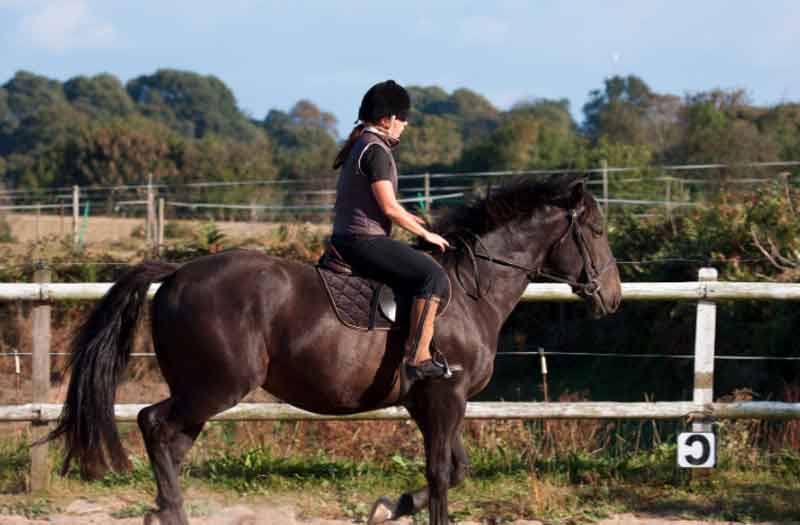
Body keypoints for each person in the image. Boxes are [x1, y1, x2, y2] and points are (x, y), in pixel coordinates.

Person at [330, 80, 451, 394]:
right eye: (402, 117)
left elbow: (388, 208)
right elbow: (389, 208)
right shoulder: (376, 151)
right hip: (363, 241)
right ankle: (418, 358)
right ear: (386, 119)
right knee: (432, 275)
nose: (405, 124)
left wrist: (414, 220)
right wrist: (426, 233)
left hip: (348, 237)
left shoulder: (362, 144)